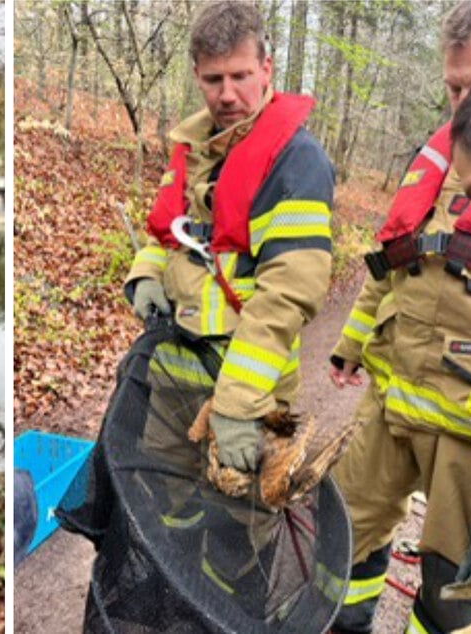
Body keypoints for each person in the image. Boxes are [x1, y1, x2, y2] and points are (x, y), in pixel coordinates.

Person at [127, 0, 334, 477]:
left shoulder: (296, 163)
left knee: (240, 530)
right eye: (214, 79)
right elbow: (165, 232)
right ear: (197, 74)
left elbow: (289, 292)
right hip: (174, 380)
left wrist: (238, 404)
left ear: (266, 68)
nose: (226, 95)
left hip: (250, 390)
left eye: (240, 76)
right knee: (167, 512)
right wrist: (145, 275)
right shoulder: (192, 148)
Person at [327, 3, 471, 632]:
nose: (461, 103)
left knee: (454, 590)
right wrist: (349, 343)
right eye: (452, 87)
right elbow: (390, 261)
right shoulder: (433, 160)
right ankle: (342, 621)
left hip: (465, 433)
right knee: (341, 528)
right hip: (389, 403)